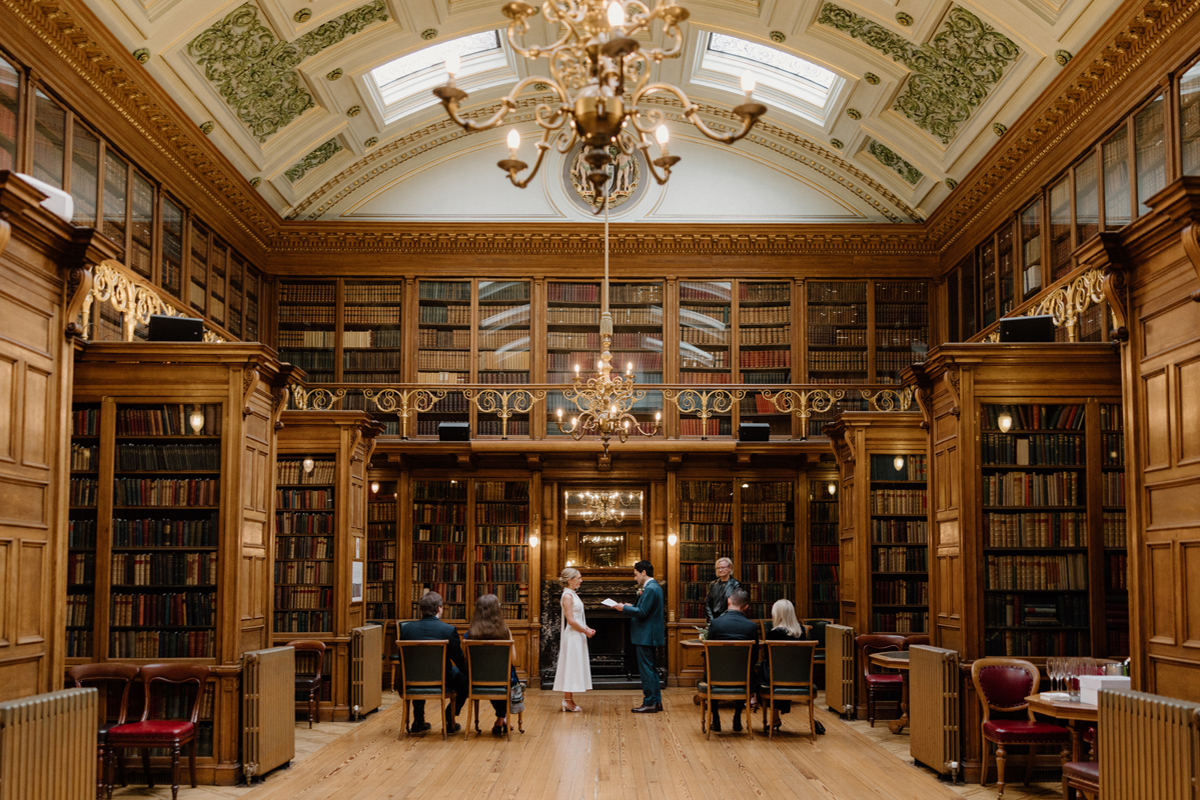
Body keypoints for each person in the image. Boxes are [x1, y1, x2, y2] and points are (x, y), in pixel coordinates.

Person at [400, 591, 467, 734]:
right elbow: (459, 660)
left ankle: (418, 720)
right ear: (439, 608)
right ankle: (449, 719)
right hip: (442, 679)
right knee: (465, 679)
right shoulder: (448, 630)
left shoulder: (406, 630)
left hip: (411, 679)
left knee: (419, 671)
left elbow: (403, 659)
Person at [705, 586, 759, 732]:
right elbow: (754, 656)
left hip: (716, 675)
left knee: (710, 672)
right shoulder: (751, 627)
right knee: (745, 672)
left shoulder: (716, 624)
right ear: (746, 607)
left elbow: (709, 652)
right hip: (743, 676)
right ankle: (736, 718)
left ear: (728, 602)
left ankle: (716, 720)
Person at [465, 594, 518, 736]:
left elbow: (467, 660)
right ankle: (501, 719)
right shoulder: (505, 632)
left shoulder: (469, 634)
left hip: (476, 679)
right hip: (502, 678)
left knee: (489, 676)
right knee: (502, 676)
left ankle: (501, 719)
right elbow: (513, 658)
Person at [622, 560, 664, 713]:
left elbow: (643, 613)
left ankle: (650, 702)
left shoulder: (651, 588)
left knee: (646, 670)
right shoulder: (653, 587)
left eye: (635, 575)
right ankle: (656, 702)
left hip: (647, 635)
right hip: (649, 635)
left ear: (643, 572)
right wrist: (632, 606)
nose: (635, 578)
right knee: (651, 670)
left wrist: (624, 608)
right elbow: (644, 609)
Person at [761, 598, 809, 731]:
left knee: (762, 673)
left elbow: (768, 658)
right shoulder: (801, 633)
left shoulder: (772, 634)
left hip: (776, 678)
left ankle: (772, 715)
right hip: (799, 677)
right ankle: (776, 717)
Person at [553, 567, 594, 712]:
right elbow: (570, 620)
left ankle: (569, 699)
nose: (581, 580)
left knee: (574, 666)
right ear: (570, 580)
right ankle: (567, 700)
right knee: (570, 666)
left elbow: (578, 617)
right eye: (579, 578)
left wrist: (586, 628)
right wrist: (585, 631)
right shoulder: (567, 596)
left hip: (578, 634)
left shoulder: (572, 594)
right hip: (572, 636)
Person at [705, 557, 740, 624]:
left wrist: (721, 619)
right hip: (713, 620)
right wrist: (711, 619)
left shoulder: (736, 584)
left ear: (730, 568)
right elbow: (707, 602)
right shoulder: (713, 584)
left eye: (723, 567)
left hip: (729, 620)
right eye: (718, 568)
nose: (720, 570)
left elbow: (734, 605)